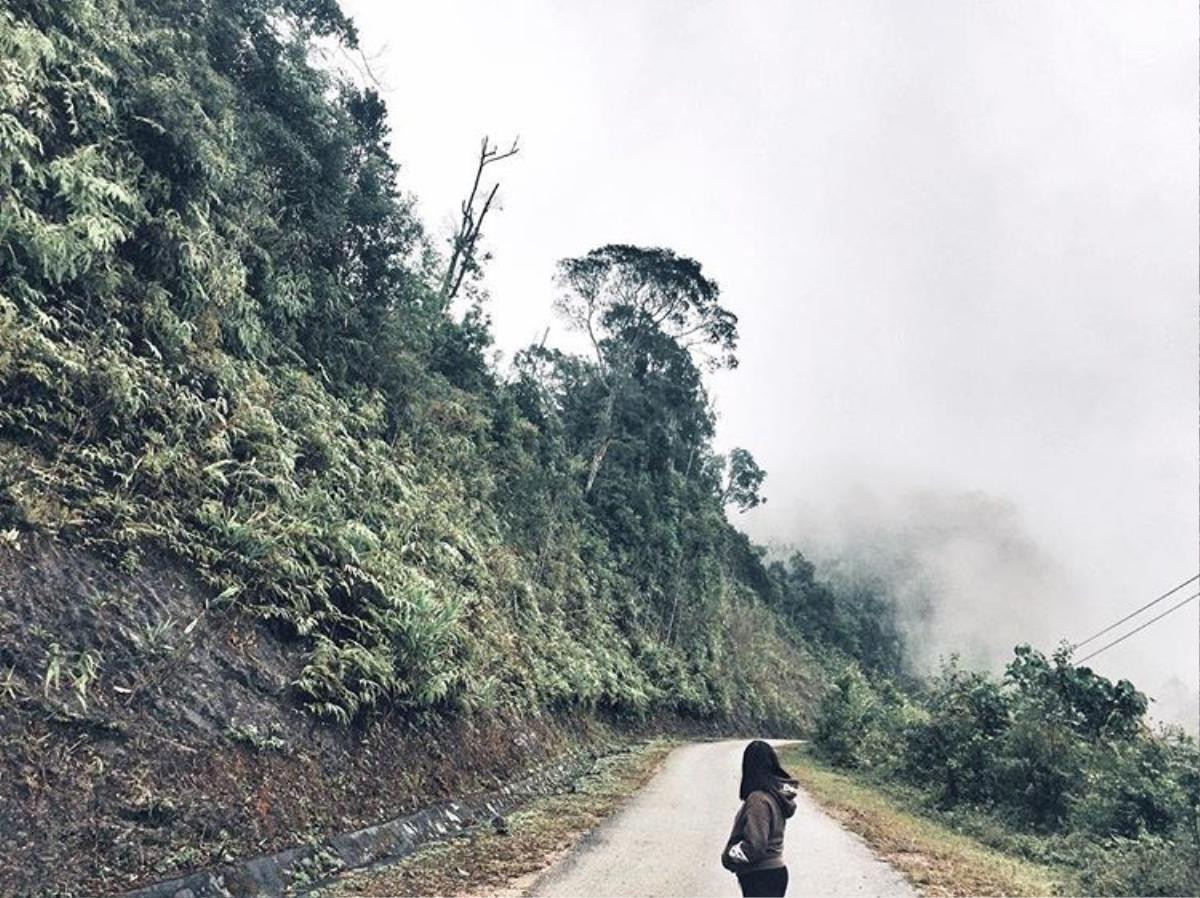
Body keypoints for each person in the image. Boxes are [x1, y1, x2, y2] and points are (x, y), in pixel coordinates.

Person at [720, 740, 798, 897]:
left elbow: (755, 846)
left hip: (761, 876)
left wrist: (729, 856)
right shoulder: (774, 796)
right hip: (773, 872)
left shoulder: (758, 799)